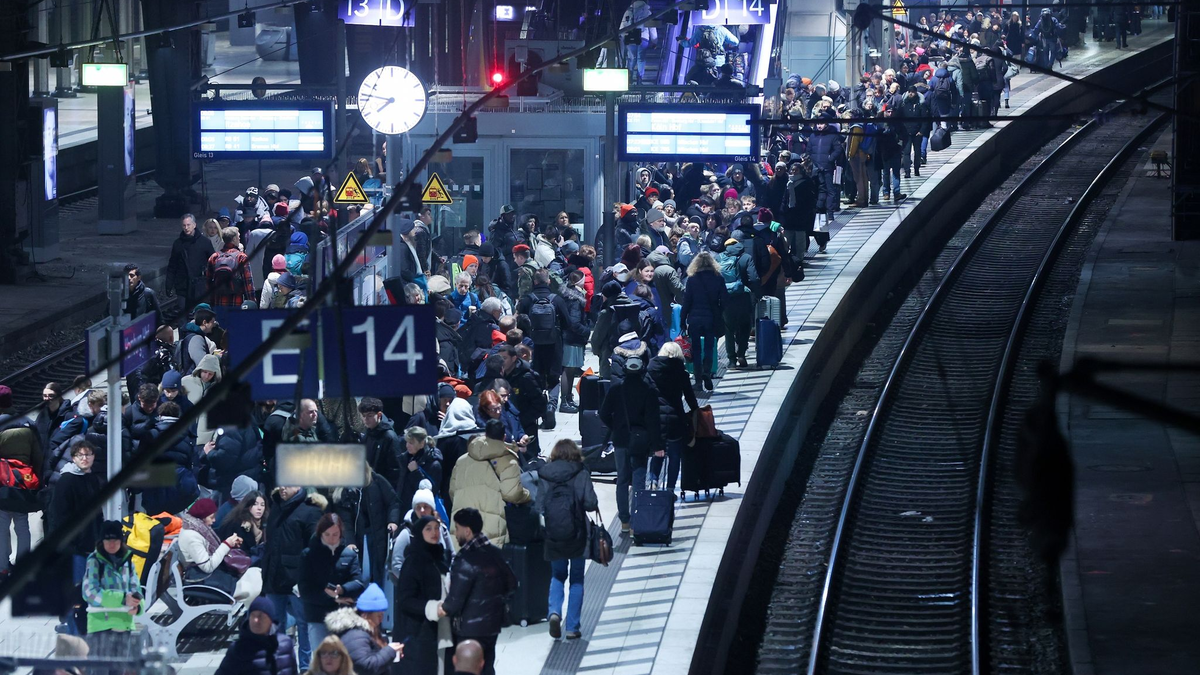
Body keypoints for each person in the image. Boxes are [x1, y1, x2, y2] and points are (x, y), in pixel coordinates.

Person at [438, 508, 516, 675]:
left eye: (457, 528)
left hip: (469, 629)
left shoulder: (465, 559)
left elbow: (455, 600)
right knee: (487, 667)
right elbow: (512, 584)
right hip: (492, 625)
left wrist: (443, 608)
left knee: (468, 669)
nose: (455, 533)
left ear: (467, 531)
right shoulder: (495, 553)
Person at [536, 440, 599, 640]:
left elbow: (539, 506)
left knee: (557, 575)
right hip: (577, 534)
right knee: (577, 578)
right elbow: (590, 504)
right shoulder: (580, 472)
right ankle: (572, 627)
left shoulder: (545, 474)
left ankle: (554, 612)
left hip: (554, 534)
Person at [264, 487, 328, 670]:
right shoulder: (276, 506)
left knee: (304, 624)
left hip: (298, 580)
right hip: (275, 578)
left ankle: (305, 667)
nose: (283, 488)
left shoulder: (310, 510)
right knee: (276, 625)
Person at [598, 357, 661, 533]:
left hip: (620, 440)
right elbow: (654, 421)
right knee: (639, 481)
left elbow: (603, 413)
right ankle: (637, 519)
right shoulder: (649, 391)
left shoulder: (616, 389)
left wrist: (615, 426)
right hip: (640, 442)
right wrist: (657, 445)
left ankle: (624, 521)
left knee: (622, 480)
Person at [448, 420, 530, 547]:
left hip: (462, 526)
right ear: (504, 437)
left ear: (485, 434)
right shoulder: (508, 461)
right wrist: (527, 495)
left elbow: (452, 492)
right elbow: (512, 494)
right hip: (490, 530)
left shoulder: (462, 460)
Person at [178, 498, 264, 610]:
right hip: (201, 578)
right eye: (211, 517)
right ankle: (252, 614)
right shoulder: (192, 536)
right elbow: (207, 566)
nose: (214, 520)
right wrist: (226, 544)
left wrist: (229, 544)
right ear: (202, 516)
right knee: (253, 582)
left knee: (256, 573)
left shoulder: (199, 528)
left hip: (207, 574)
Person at [517, 268, 578, 423]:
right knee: (553, 378)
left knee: (535, 377)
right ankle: (551, 406)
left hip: (532, 346)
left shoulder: (527, 300)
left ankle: (537, 408)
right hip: (554, 345)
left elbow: (519, 323)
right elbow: (568, 323)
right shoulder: (556, 300)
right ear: (549, 281)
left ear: (535, 282)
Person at [394, 514, 453, 675]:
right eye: (428, 529)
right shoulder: (413, 561)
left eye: (436, 528)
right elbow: (405, 600)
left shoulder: (441, 558)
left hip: (442, 628)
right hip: (419, 633)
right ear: (420, 532)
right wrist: (431, 608)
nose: (434, 532)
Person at [299, 513, 366, 649]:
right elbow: (305, 590)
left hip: (344, 616)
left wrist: (343, 589)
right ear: (320, 533)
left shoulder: (349, 554)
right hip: (318, 616)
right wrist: (334, 599)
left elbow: (359, 583)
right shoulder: (308, 555)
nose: (331, 539)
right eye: (327, 534)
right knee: (323, 660)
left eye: (335, 534)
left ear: (341, 534)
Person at [647, 341, 700, 493]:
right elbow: (690, 397)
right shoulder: (681, 372)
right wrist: (696, 410)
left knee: (658, 451)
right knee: (675, 456)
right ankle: (670, 490)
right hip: (676, 418)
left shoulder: (651, 370)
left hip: (656, 419)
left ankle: (653, 480)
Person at [0, 384, 40, 577]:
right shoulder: (27, 423)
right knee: (22, 523)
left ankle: (2, 566)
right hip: (24, 480)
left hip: (2, 481)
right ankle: (23, 564)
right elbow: (38, 455)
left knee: (1, 524)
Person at [322, 584, 403, 675]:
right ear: (365, 615)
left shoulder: (368, 629)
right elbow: (364, 666)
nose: (381, 619)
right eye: (378, 615)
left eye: (382, 615)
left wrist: (391, 654)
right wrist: (389, 651)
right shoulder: (355, 634)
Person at [81, 520, 141, 635]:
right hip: (101, 625)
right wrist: (123, 599)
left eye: (115, 540)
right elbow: (89, 593)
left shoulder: (127, 560)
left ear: (121, 541)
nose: (111, 544)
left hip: (124, 624)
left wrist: (137, 605)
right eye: (108, 540)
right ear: (102, 541)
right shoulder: (95, 561)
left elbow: (135, 587)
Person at [215, 596, 299, 675]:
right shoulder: (238, 649)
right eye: (253, 616)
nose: (256, 620)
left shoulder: (285, 644)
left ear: (271, 621)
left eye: (261, 616)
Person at [715, 238, 758, 373]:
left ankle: (732, 361)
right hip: (743, 298)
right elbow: (754, 278)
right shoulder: (746, 257)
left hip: (726, 299)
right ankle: (741, 353)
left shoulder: (718, 257)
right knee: (745, 326)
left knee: (729, 329)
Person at [167, 213, 216, 310]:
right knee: (182, 313)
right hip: (182, 285)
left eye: (188, 225)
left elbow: (213, 263)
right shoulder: (178, 244)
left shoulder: (205, 242)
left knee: (199, 313)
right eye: (184, 225)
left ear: (194, 225)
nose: (186, 228)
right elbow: (172, 265)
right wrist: (169, 284)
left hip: (200, 286)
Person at [356, 397, 403, 488]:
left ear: (379, 415)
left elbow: (396, 470)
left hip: (384, 488)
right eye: (363, 416)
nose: (366, 419)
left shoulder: (389, 437)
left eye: (370, 415)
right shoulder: (367, 434)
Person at [397, 425, 443, 516]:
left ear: (422, 444)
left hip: (422, 512)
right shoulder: (405, 459)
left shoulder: (433, 463)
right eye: (407, 442)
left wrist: (415, 472)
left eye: (411, 443)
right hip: (404, 509)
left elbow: (431, 491)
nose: (407, 446)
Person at [207, 226, 256, 307]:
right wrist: (252, 302)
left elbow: (208, 282)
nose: (239, 239)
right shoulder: (241, 257)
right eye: (238, 236)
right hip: (237, 302)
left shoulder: (214, 257)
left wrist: (211, 302)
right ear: (234, 239)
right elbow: (248, 282)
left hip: (218, 302)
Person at [217, 488, 269, 558]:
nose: (259, 508)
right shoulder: (239, 523)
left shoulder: (265, 524)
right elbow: (239, 550)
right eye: (255, 504)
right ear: (247, 506)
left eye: (262, 505)